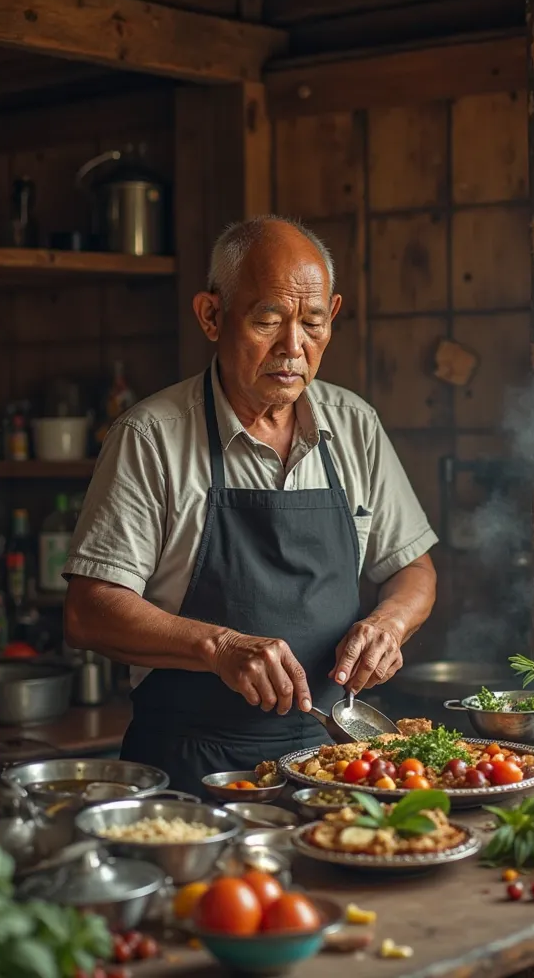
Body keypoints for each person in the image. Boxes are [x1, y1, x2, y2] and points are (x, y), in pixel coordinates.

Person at [64, 215, 438, 795]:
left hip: (338, 763)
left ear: (332, 316)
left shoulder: (354, 425)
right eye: (268, 320)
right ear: (212, 316)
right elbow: (90, 610)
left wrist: (389, 624)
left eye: (312, 323)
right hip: (193, 771)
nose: (293, 348)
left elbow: (413, 569)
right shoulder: (152, 437)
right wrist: (220, 647)